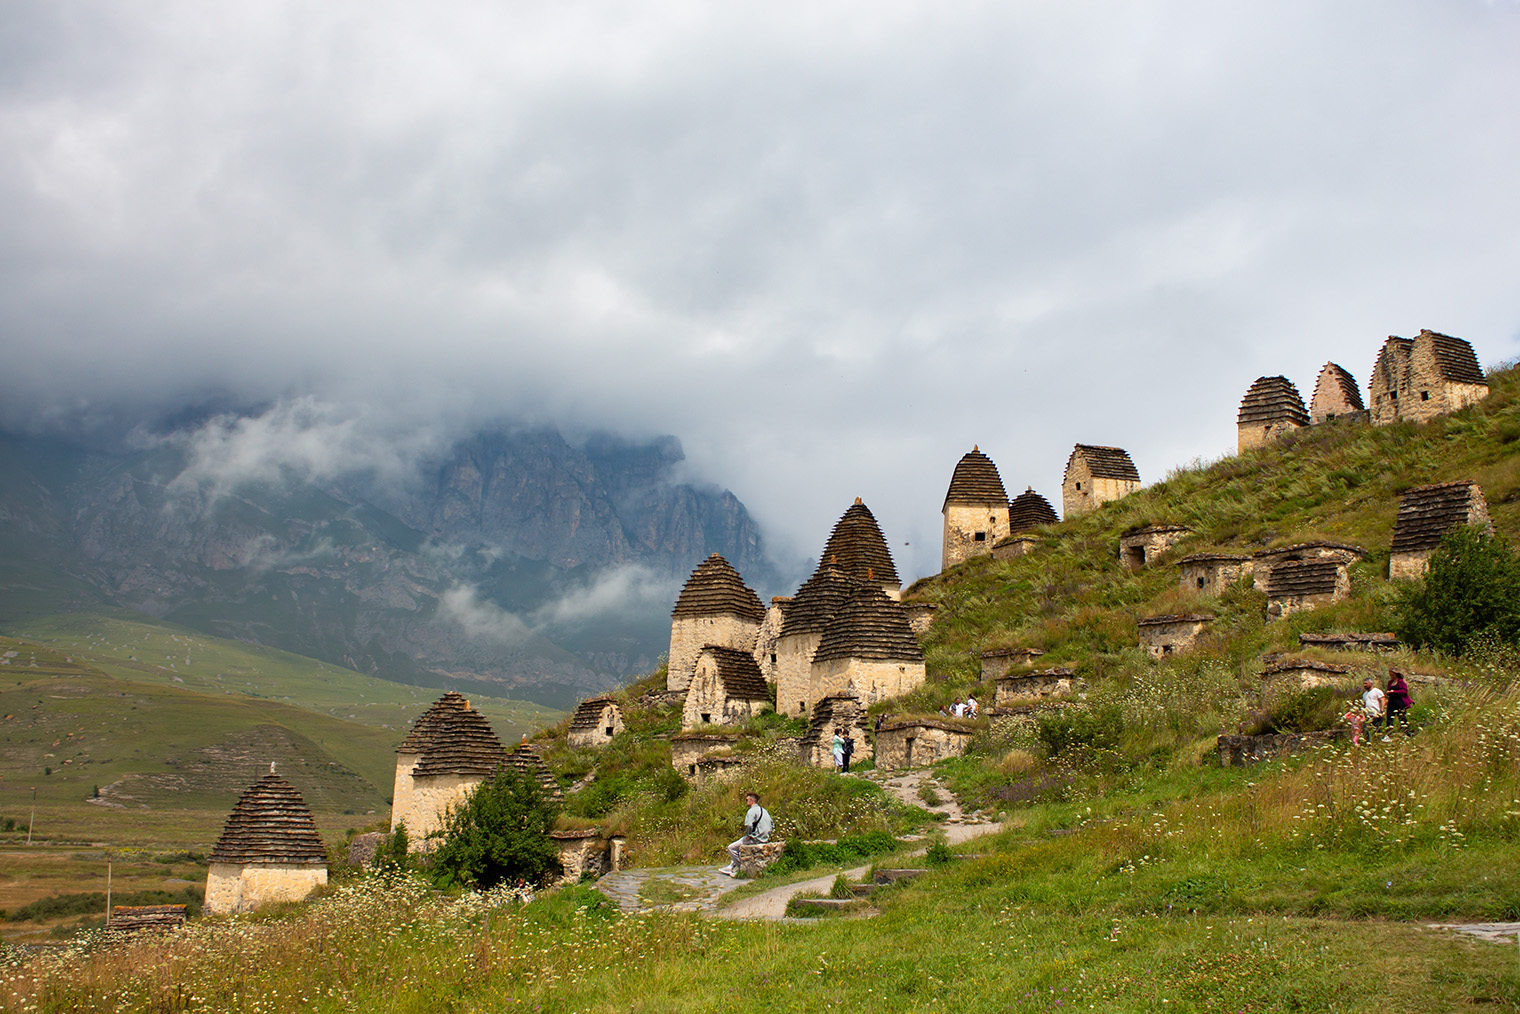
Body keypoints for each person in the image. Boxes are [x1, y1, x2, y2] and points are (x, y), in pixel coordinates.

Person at [718, 791, 772, 877]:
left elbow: (749, 825)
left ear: (751, 801)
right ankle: (731, 866)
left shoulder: (751, 811)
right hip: (764, 838)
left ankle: (741, 868)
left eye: (747, 800)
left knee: (731, 848)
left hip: (755, 839)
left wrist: (748, 836)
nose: (746, 801)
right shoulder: (764, 811)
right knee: (740, 845)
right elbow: (772, 825)